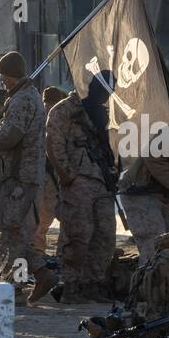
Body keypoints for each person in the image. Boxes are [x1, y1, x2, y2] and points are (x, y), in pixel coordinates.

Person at [0, 51, 55, 302]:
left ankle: (24, 282)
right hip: (21, 176)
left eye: (3, 76)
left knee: (8, 231)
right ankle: (35, 275)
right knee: (14, 230)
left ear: (9, 74)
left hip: (18, 178)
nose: (2, 82)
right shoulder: (23, 97)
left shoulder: (21, 100)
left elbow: (11, 135)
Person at [46, 73, 118, 302]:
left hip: (102, 183)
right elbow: (54, 146)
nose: (106, 95)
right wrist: (69, 177)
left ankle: (93, 284)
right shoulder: (65, 110)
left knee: (105, 236)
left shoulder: (103, 113)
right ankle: (71, 285)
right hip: (78, 183)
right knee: (77, 235)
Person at [34, 85, 67, 256]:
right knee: (41, 222)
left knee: (69, 222)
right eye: (46, 102)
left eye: (52, 102)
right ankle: (39, 257)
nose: (48, 106)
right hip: (46, 179)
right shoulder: (38, 123)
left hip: (62, 178)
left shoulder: (65, 123)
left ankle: (63, 256)